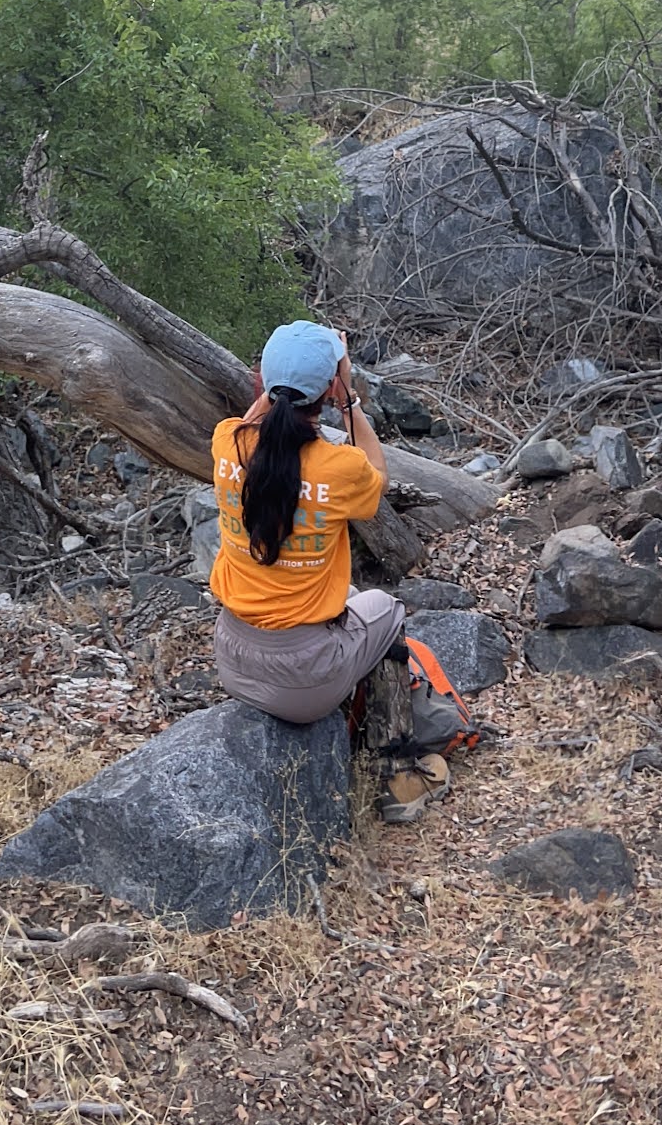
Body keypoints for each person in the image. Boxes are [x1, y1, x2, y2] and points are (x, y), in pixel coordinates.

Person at [202, 322, 480, 820]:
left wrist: (273, 387)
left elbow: (254, 425)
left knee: (348, 596)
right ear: (327, 391)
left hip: (233, 657)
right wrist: (349, 398)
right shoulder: (339, 468)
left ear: (261, 381)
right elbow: (377, 476)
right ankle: (397, 777)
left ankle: (365, 734)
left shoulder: (227, 443)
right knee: (387, 609)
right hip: (305, 679)